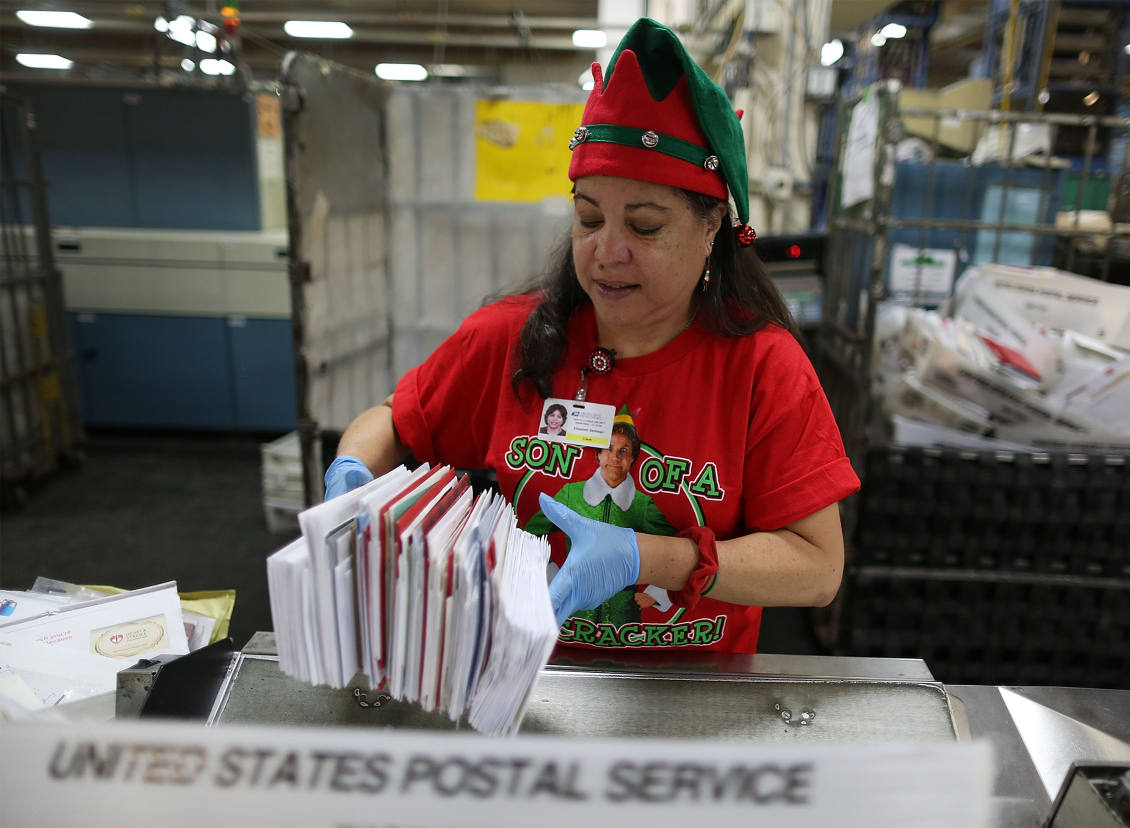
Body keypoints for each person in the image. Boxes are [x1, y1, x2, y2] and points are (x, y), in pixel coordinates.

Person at [325, 17, 860, 654]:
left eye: (644, 225)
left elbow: (818, 569)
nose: (607, 251)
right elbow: (393, 420)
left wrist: (653, 558)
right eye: (588, 218)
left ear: (712, 224)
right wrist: (354, 470)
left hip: (691, 701)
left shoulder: (760, 367)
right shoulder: (511, 341)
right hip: (525, 685)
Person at [525, 407, 677, 628]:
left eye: (624, 450)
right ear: (598, 454)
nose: (615, 457)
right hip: (571, 616)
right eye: (609, 449)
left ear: (633, 458)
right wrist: (551, 576)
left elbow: (677, 550)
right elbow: (530, 534)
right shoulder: (571, 494)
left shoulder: (643, 504)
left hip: (624, 622)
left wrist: (656, 594)